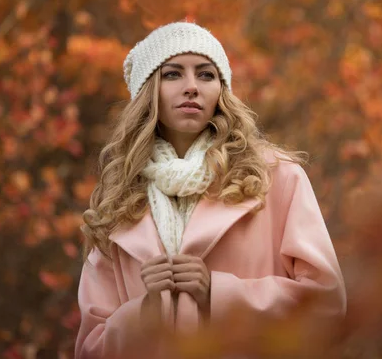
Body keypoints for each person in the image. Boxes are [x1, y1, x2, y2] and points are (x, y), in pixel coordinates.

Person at [75, 22, 346, 358]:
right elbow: (90, 347)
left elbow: (326, 306)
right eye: (173, 74)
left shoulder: (276, 177)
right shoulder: (119, 200)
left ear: (222, 89)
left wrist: (217, 294)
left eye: (205, 75)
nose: (191, 87)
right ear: (148, 90)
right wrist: (143, 314)